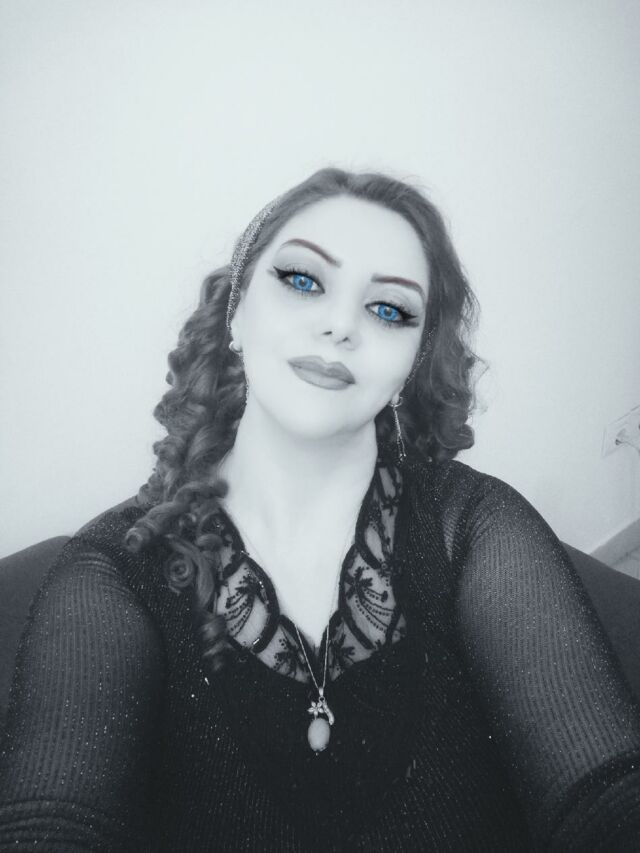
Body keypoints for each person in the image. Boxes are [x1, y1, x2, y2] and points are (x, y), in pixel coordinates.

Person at [0, 167, 639, 852]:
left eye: (388, 309)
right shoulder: (114, 572)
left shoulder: (476, 526)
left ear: (414, 360)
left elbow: (605, 799)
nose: (340, 325)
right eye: (303, 279)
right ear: (236, 311)